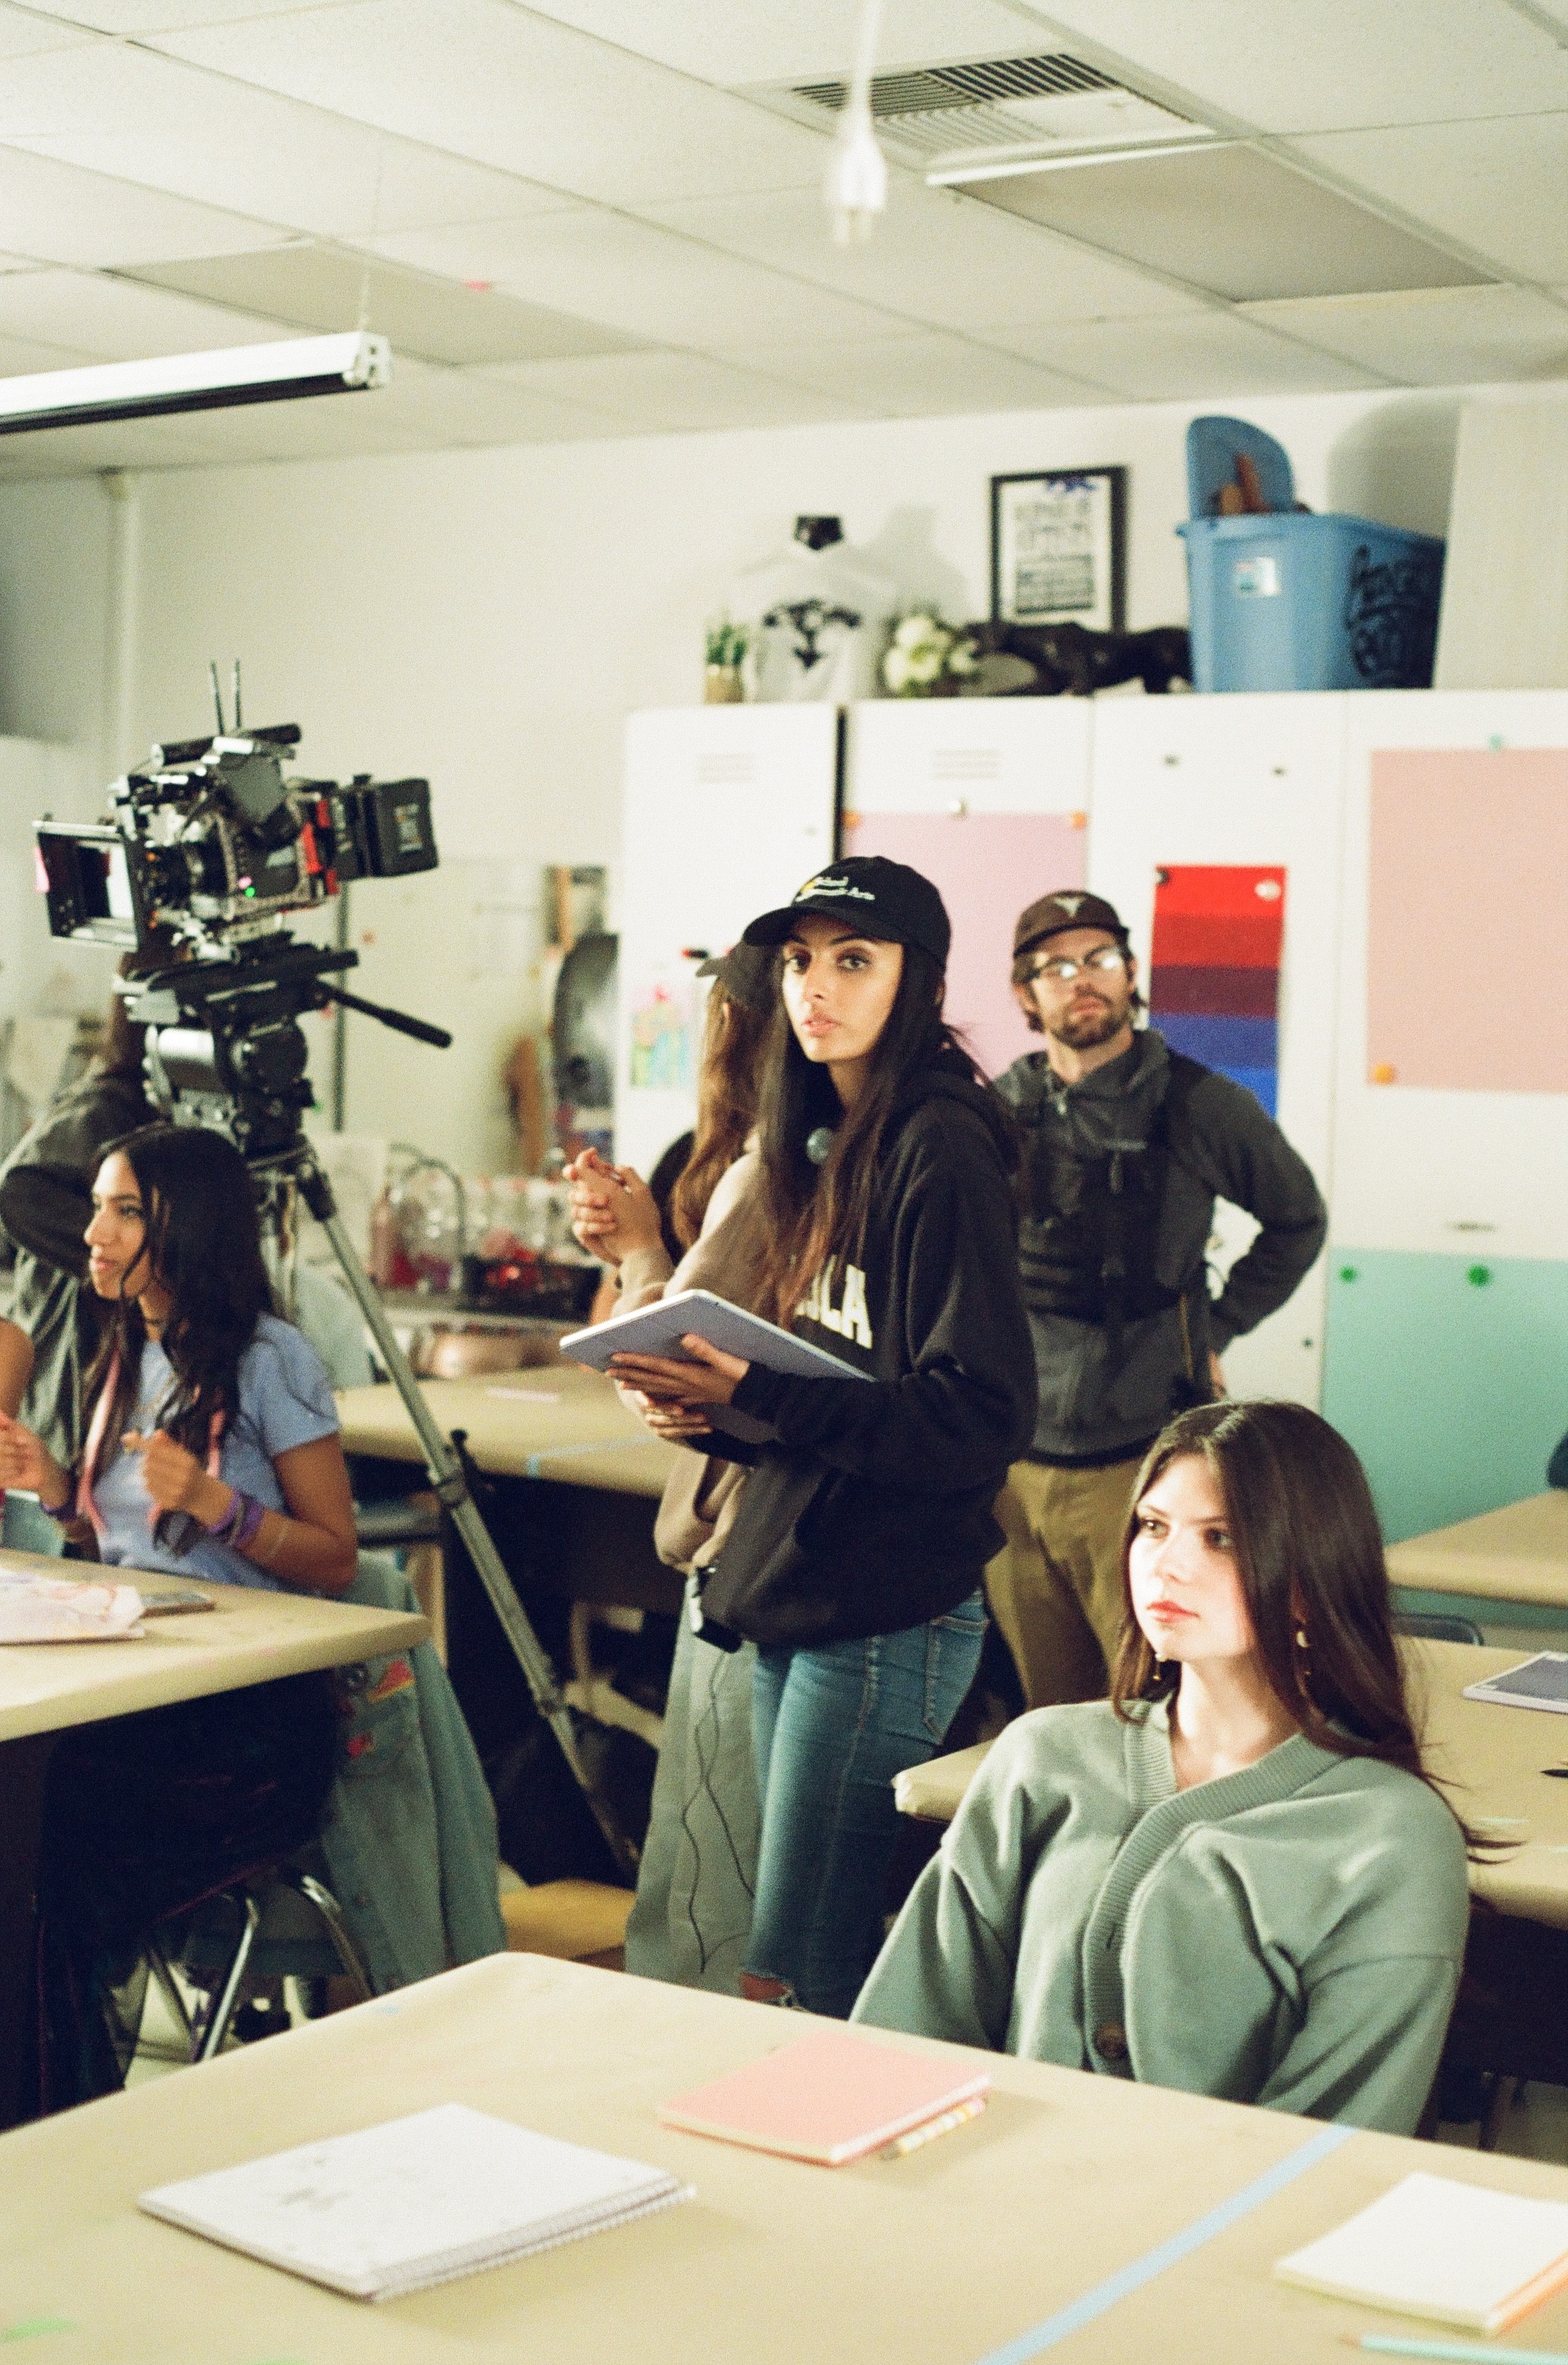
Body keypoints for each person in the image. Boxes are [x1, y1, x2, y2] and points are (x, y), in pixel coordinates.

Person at [605, 858, 1037, 2018]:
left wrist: (764, 1394)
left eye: (853, 959)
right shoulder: (822, 1139)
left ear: (918, 980)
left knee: (798, 1965)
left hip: (885, 1606)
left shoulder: (937, 1143)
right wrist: (723, 1410)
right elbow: (846, 1389)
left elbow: (978, 1414)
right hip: (799, 1578)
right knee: (780, 1958)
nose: (814, 986)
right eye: (799, 959)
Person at [854, 1399, 1471, 2137]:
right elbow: (907, 2034)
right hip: (985, 2187)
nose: (1166, 1564)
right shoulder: (1041, 1755)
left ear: (1309, 1584)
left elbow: (1327, 2150)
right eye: (1152, 1526)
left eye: (1219, 1538)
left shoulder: (1390, 1837)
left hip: (1220, 2210)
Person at [0, 1123, 361, 2108]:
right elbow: (130, 1552)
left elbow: (336, 1555)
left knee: (45, 1848)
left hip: (248, 1729)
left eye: (125, 1211)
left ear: (187, 1225)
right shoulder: (125, 1346)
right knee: (22, 1812)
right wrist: (57, 1489)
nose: (94, 1233)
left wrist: (219, 1505)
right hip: (145, 1692)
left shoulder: (270, 1357)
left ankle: (53, 2122)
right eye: (97, 1208)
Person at [987, 888, 1327, 1711]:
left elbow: (1296, 1219)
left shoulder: (1197, 1103)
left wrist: (1221, 1325)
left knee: (1155, 1705)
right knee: (1049, 1714)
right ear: (1024, 993)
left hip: (1144, 1466)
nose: (1082, 979)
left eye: (1100, 959)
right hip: (1012, 1465)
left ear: (1131, 972)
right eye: (1055, 967)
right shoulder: (1000, 1107)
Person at [568, 945, 772, 1993]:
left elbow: (666, 1372)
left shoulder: (771, 1170)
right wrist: (634, 1247)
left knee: (700, 1888)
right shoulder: (765, 1158)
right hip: (752, 1551)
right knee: (721, 1868)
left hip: (745, 1554)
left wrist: (642, 1254)